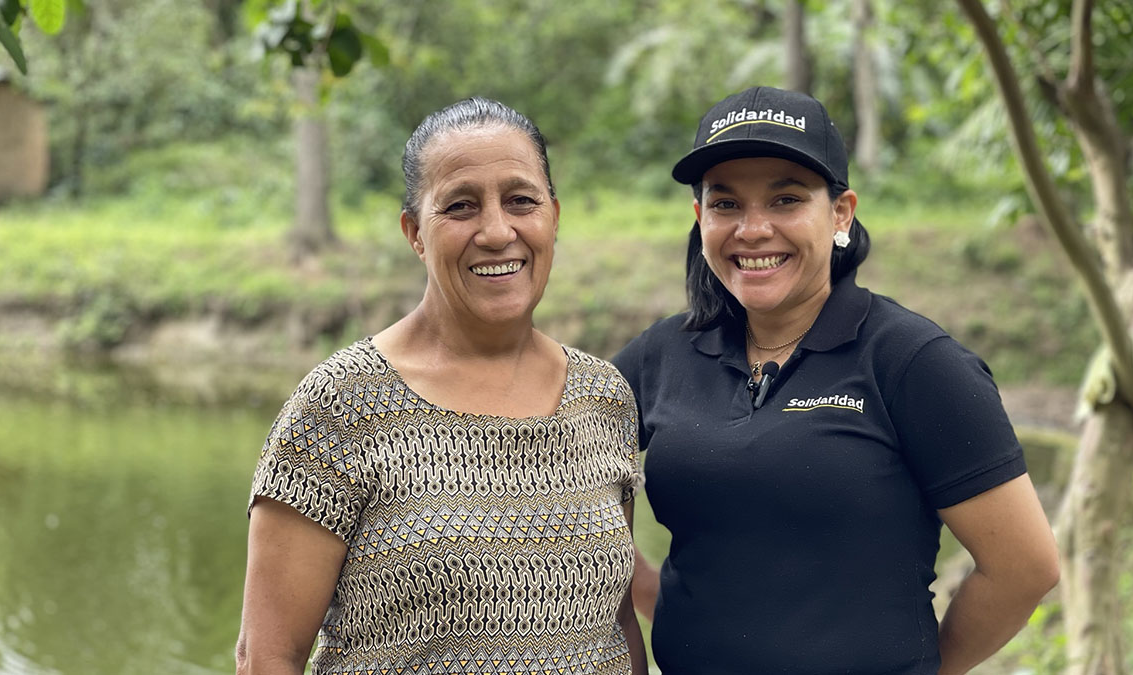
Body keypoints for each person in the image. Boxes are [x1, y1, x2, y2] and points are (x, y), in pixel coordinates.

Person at [613, 86, 1059, 674]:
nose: (752, 230)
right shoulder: (661, 355)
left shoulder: (913, 361)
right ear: (700, 218)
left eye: (786, 199)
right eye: (726, 205)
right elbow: (574, 500)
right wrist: (660, 603)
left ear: (841, 213)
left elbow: (1025, 568)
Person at [236, 97, 648, 675]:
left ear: (553, 215)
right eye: (460, 206)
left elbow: (618, 623)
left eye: (521, 201)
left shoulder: (603, 397)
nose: (497, 231)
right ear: (415, 233)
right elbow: (267, 658)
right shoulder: (340, 406)